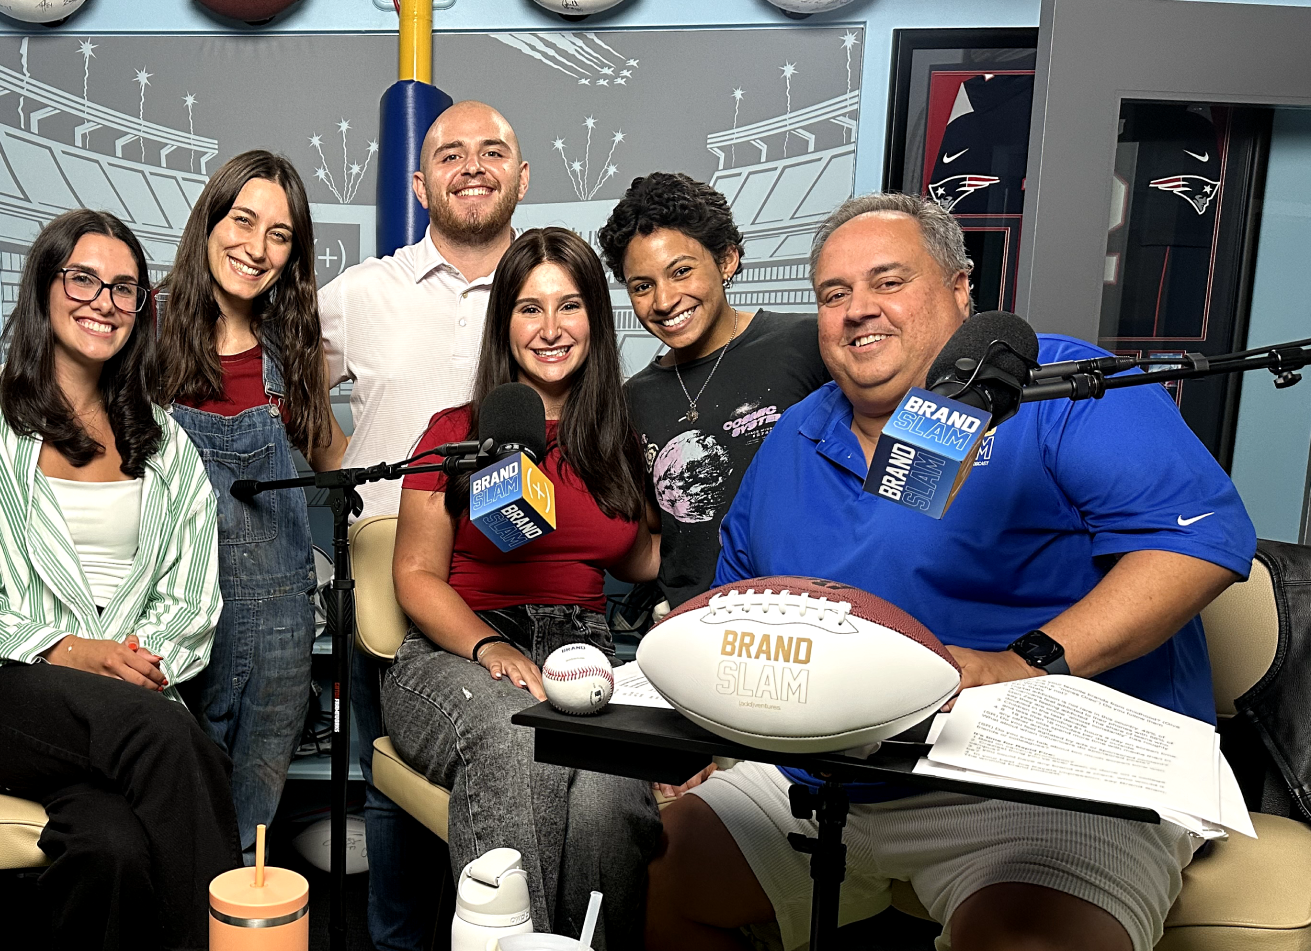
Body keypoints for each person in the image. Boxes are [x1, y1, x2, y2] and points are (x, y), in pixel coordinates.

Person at [651, 193, 1257, 951]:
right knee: (653, 869)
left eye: (888, 281)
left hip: (1048, 786)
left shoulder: (1065, 387)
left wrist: (1025, 662)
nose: (857, 310)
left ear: (962, 288)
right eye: (833, 294)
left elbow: (1199, 541)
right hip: (828, 775)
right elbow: (733, 605)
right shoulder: (795, 436)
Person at [0, 208, 236, 951]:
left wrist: (132, 664)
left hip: (121, 712)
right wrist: (73, 650)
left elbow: (192, 602)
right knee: (176, 740)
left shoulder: (167, 441)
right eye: (83, 278)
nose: (104, 301)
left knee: (109, 848)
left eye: (125, 288)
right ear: (44, 287)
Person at [384, 227, 663, 949]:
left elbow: (638, 558)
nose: (550, 328)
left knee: (609, 796)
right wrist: (484, 647)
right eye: (529, 308)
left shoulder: (617, 438)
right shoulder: (456, 432)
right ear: (503, 322)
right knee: (515, 743)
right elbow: (413, 576)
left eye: (569, 306)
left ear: (595, 322)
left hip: (583, 653)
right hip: (459, 650)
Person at [319, 99, 532, 950]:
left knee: (522, 764)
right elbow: (288, 376)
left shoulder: (549, 284)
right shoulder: (364, 292)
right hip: (391, 579)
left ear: (523, 175)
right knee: (391, 780)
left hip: (520, 570)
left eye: (492, 151)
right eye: (450, 153)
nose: (471, 166)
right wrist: (348, 468)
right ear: (420, 182)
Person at [153, 150, 348, 862]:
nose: (257, 247)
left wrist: (427, 466)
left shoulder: (289, 346)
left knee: (254, 800)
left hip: (277, 618)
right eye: (243, 220)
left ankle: (235, 913)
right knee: (173, 786)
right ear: (209, 221)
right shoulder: (143, 328)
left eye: (280, 234)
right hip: (168, 606)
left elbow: (332, 452)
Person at [596, 171, 830, 614]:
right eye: (642, 286)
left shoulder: (807, 344)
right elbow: (655, 528)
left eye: (681, 271)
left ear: (726, 260)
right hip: (693, 627)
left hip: (804, 614)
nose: (664, 300)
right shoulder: (632, 399)